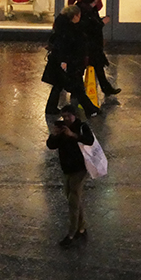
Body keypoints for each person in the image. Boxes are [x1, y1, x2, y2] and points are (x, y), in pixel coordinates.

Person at [46, 105, 95, 247]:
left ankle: (72, 233)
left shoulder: (81, 126)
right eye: (64, 116)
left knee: (73, 200)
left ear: (75, 115)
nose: (66, 119)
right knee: (72, 196)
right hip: (66, 169)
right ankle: (82, 227)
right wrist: (54, 135)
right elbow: (51, 145)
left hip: (80, 169)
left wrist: (73, 135)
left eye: (69, 116)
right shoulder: (61, 129)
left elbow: (89, 140)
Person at [42, 6, 101, 117]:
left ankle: (51, 108)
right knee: (76, 86)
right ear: (75, 16)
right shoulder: (69, 30)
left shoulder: (63, 26)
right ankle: (90, 109)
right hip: (68, 62)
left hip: (60, 61)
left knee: (59, 84)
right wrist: (64, 61)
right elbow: (66, 46)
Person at [75, 0, 120, 96]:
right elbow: (90, 27)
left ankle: (106, 89)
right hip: (89, 45)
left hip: (91, 45)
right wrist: (101, 23)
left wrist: (99, 22)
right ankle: (104, 89)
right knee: (91, 67)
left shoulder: (87, 9)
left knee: (95, 67)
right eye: (95, 2)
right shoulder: (85, 11)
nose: (96, 4)